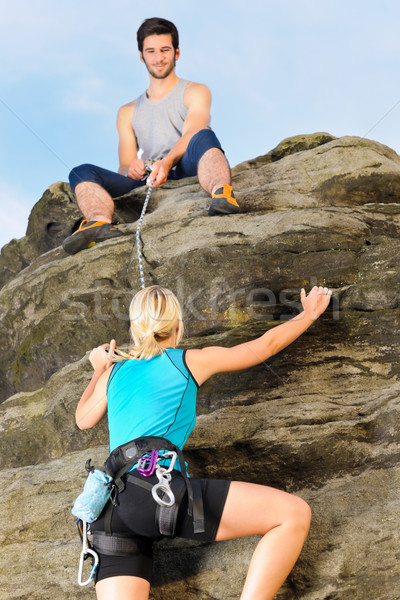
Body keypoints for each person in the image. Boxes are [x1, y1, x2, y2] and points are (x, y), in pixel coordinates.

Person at [75, 284, 332, 600]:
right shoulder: (188, 361)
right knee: (292, 515)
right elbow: (264, 346)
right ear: (179, 325)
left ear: (135, 326)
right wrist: (308, 315)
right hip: (157, 490)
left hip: (111, 510)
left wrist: (99, 369)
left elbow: (83, 419)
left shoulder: (114, 372)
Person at [63, 17, 239, 255]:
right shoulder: (127, 112)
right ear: (141, 56)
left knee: (203, 134)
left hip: (183, 167)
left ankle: (222, 194)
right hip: (148, 178)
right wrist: (131, 169)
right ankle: (99, 223)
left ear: (176, 53)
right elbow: (124, 164)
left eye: (165, 50)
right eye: (151, 51)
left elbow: (192, 131)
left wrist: (166, 163)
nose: (158, 58)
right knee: (81, 171)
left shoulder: (196, 91)